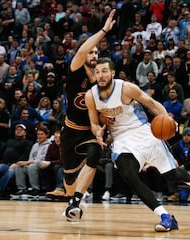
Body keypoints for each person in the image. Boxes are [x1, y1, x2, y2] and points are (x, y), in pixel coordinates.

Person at [84, 58, 190, 231]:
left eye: (104, 71)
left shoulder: (126, 88)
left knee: (171, 174)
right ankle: (165, 216)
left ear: (112, 73)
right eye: (97, 72)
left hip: (143, 132)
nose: (101, 75)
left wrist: (167, 119)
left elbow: (151, 104)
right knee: (128, 174)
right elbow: (93, 122)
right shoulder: (91, 96)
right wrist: (97, 131)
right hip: (121, 140)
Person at [61, 10, 117, 221]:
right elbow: (83, 48)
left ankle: (76, 201)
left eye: (96, 52)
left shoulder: (103, 81)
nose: (93, 55)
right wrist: (103, 30)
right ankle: (71, 198)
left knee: (95, 153)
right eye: (90, 52)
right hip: (70, 131)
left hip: (90, 131)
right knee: (68, 180)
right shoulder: (75, 70)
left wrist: (105, 125)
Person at [0, 123, 33, 197]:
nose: (18, 131)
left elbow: (26, 155)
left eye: (21, 130)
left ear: (25, 132)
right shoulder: (9, 141)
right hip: (3, 164)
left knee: (10, 172)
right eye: (17, 130)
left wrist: (16, 163)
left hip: (16, 165)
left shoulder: (28, 142)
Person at [13, 124, 51, 197]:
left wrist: (27, 162)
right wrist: (25, 163)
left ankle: (35, 188)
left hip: (42, 166)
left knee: (32, 166)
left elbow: (41, 160)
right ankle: (21, 188)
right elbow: (31, 158)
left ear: (46, 135)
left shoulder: (48, 145)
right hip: (32, 164)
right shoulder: (35, 145)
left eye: (42, 134)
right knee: (19, 167)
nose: (39, 136)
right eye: (38, 134)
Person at [168, 127, 190, 202]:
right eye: (184, 135)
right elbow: (172, 157)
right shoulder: (177, 146)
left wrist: (185, 166)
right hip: (179, 167)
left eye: (188, 135)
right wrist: (176, 163)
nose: (186, 137)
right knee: (169, 167)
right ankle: (174, 193)